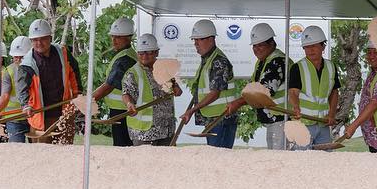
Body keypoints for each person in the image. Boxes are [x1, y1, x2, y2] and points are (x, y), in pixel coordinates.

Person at [15, 18, 83, 145]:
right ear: (31, 41)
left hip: (64, 112)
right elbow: (21, 88)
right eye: (35, 40)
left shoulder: (62, 52)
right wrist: (25, 105)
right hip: (41, 116)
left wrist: (78, 93)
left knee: (65, 150)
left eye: (42, 39)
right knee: (42, 155)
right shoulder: (27, 64)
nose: (39, 43)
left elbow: (74, 71)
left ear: (50, 38)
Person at [224, 23, 290, 149]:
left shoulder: (277, 61)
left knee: (280, 160)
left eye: (260, 45)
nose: (256, 49)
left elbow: (262, 92)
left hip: (282, 120)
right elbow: (253, 87)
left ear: (271, 43)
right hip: (274, 120)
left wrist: (238, 103)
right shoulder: (263, 61)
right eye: (254, 46)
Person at [180, 19, 238, 149]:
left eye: (199, 39)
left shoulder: (218, 61)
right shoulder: (208, 60)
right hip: (214, 119)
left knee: (218, 160)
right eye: (194, 40)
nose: (195, 43)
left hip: (221, 119)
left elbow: (215, 93)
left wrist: (192, 110)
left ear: (211, 39)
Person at [121, 33, 182, 146]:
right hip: (144, 133)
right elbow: (126, 93)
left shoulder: (164, 69)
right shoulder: (132, 73)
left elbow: (176, 89)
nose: (144, 56)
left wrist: (176, 88)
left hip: (166, 131)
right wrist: (129, 104)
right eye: (141, 53)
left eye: (148, 52)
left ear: (156, 52)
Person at [287, 25, 340, 148]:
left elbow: (334, 92)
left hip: (323, 123)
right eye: (306, 47)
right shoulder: (297, 67)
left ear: (323, 46)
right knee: (303, 160)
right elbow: (293, 92)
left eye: (313, 46)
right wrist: (296, 107)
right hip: (303, 123)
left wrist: (331, 114)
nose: (310, 50)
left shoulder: (331, 66)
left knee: (324, 159)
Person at [92, 17, 138, 148]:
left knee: (122, 148)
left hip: (122, 111)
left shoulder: (124, 59)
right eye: (113, 36)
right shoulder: (127, 54)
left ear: (128, 38)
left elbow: (108, 86)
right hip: (123, 110)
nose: (114, 40)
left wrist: (87, 101)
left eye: (118, 37)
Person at [0, 36, 31, 143]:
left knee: (38, 150)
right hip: (14, 118)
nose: (18, 60)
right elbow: (5, 95)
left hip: (34, 115)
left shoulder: (37, 68)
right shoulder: (9, 71)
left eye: (22, 57)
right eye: (15, 57)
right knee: (15, 150)